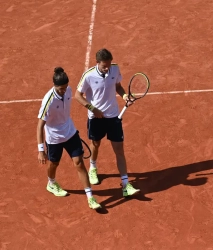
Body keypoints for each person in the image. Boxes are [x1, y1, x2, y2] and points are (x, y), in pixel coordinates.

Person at [75, 48, 140, 197]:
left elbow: (117, 86)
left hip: (113, 116)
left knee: (119, 149)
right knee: (95, 144)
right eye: (105, 65)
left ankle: (125, 184)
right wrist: (93, 108)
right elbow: (78, 95)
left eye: (109, 65)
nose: (108, 68)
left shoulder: (115, 69)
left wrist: (124, 97)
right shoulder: (88, 76)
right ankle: (93, 167)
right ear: (97, 63)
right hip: (96, 118)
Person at [37, 67, 101, 210]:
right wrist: (41, 150)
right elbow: (40, 125)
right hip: (54, 138)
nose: (64, 91)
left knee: (79, 163)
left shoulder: (69, 90)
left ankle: (90, 197)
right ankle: (51, 183)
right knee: (54, 164)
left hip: (70, 132)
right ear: (54, 86)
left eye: (65, 88)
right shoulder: (49, 100)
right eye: (60, 89)